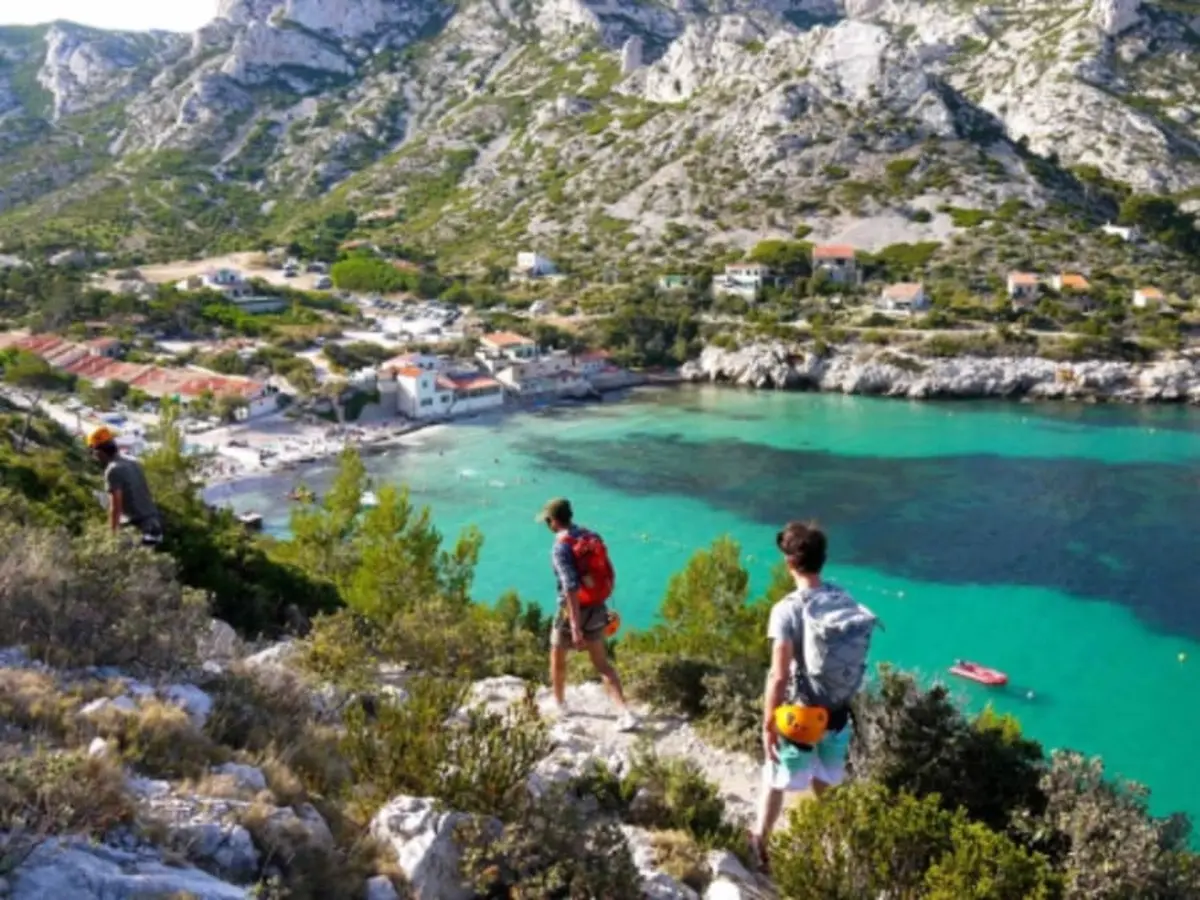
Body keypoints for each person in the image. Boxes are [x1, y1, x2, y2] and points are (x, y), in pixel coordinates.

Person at [749, 521, 878, 869]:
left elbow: (778, 675)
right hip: (838, 712)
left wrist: (767, 725)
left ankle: (760, 841)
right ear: (822, 560)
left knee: (774, 776)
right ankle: (841, 850)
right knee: (827, 781)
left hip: (800, 716)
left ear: (790, 563)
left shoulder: (786, 610)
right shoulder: (843, 598)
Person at [537, 497, 638, 732]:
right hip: (597, 606)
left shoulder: (561, 547)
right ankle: (624, 712)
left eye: (547, 521)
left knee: (557, 654)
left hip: (571, 611)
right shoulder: (591, 536)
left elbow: (570, 586)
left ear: (553, 521)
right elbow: (607, 570)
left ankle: (560, 704)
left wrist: (574, 626)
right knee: (602, 663)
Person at [86, 426, 164, 547]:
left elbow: (115, 508)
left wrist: (111, 537)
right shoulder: (132, 461)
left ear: (99, 451)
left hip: (141, 529)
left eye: (93, 452)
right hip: (154, 525)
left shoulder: (113, 470)